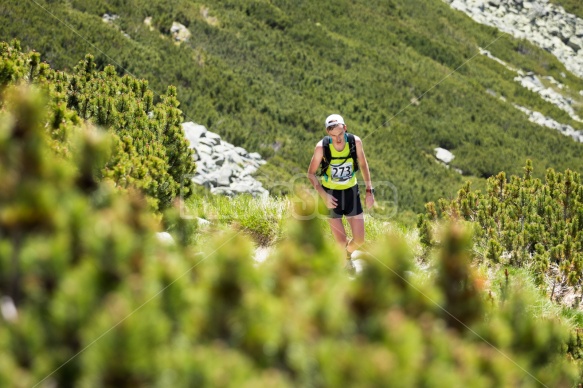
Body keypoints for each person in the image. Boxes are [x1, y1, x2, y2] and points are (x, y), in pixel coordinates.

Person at [307, 114, 374, 269]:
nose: (337, 139)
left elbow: (363, 165)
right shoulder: (321, 147)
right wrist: (323, 196)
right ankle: (339, 265)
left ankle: (346, 255)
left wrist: (369, 191)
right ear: (327, 133)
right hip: (330, 195)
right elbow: (310, 173)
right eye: (333, 136)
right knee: (341, 241)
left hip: (351, 192)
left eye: (340, 134)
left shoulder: (355, 142)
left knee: (359, 240)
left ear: (345, 128)